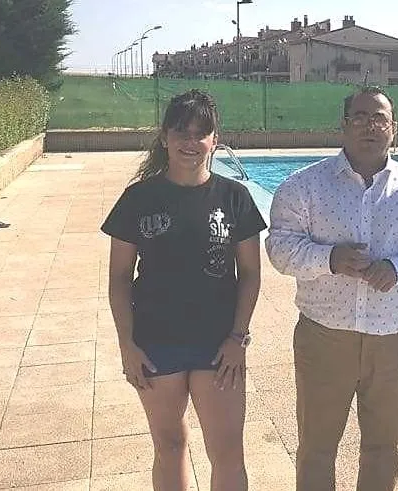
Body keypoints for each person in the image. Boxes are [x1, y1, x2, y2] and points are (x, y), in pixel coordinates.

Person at [265, 86, 398, 491]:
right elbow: (279, 249)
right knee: (316, 448)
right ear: (344, 125)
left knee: (384, 449)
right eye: (360, 117)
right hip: (324, 337)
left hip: (393, 340)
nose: (370, 126)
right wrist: (329, 258)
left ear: (394, 128)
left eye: (379, 118)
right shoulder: (304, 186)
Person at [102, 89, 267, 491]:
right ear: (165, 137)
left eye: (200, 134)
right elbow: (119, 278)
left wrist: (238, 338)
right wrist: (127, 344)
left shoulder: (234, 198)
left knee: (227, 451)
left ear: (215, 140)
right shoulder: (139, 198)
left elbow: (250, 274)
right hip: (155, 342)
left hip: (219, 345)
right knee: (169, 444)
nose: (191, 143)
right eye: (181, 132)